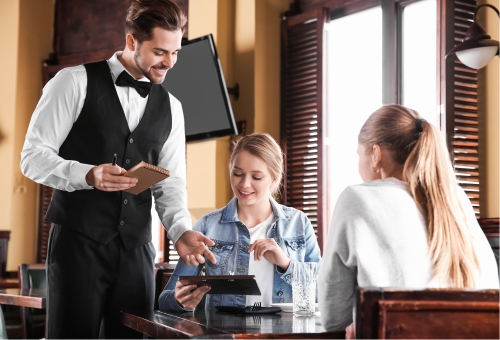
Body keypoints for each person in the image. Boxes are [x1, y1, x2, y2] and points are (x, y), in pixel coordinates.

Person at [20, 0, 216, 338]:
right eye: (159, 52)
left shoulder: (173, 108)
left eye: (176, 53)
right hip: (78, 244)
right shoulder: (72, 82)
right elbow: (32, 156)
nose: (169, 63)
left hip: (136, 250)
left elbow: (171, 185)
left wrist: (181, 231)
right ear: (130, 42)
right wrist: (87, 174)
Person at [318, 104, 499, 333]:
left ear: (375, 154)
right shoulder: (457, 200)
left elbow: (334, 320)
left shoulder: (357, 198)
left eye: (359, 154)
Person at [158, 133, 321, 312]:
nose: (244, 184)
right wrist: (179, 300)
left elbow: (321, 294)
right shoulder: (207, 226)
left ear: (274, 179)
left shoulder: (298, 223)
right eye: (237, 173)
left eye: (257, 177)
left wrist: (286, 264)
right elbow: (165, 299)